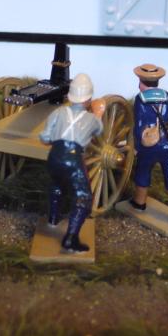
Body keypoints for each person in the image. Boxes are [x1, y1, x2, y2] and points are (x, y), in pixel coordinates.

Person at [40, 73, 105, 252]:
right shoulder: (91, 119)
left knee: (57, 183)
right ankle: (70, 238)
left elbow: (44, 137)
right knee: (83, 197)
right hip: (73, 157)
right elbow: (99, 129)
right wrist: (98, 112)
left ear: (70, 96)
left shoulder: (58, 112)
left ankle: (53, 220)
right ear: (88, 100)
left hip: (54, 155)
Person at [130, 64, 168, 225]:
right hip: (167, 142)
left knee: (143, 171)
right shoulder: (167, 96)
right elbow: (166, 118)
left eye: (139, 81)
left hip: (149, 145)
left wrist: (137, 146)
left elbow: (140, 124)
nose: (138, 85)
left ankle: (139, 203)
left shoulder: (140, 99)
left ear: (142, 82)